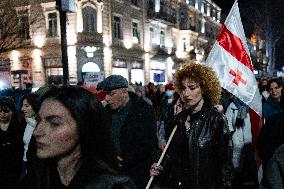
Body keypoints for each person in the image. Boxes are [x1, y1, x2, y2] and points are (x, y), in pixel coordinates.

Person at [19, 86, 136, 189]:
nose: (37, 132)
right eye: (39, 120)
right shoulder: (33, 181)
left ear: (84, 127)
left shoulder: (112, 186)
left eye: (55, 123)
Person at [150, 63, 232, 188]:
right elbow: (171, 154)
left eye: (192, 88)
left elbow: (224, 165)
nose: (186, 94)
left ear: (203, 89)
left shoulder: (216, 120)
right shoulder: (178, 119)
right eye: (183, 88)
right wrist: (161, 166)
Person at [103, 75, 157, 189]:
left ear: (124, 92)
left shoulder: (144, 110)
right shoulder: (105, 112)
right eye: (106, 94)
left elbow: (149, 143)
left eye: (111, 94)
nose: (107, 98)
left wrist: (124, 160)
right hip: (111, 174)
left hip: (136, 174)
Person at [225, 96, 258, 189]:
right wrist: (230, 138)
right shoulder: (232, 106)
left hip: (249, 138)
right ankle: (237, 182)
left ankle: (254, 181)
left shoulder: (251, 105)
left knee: (252, 160)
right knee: (237, 161)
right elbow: (228, 123)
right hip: (237, 138)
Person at [0, 96, 25, 189]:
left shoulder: (19, 125)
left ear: (12, 111)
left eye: (6, 111)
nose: (3, 114)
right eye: (0, 111)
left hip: (14, 165)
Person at [20, 93, 40, 177]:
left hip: (37, 166)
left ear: (35, 106)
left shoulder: (41, 125)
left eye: (26, 106)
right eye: (22, 105)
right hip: (24, 162)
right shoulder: (24, 122)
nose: (22, 109)